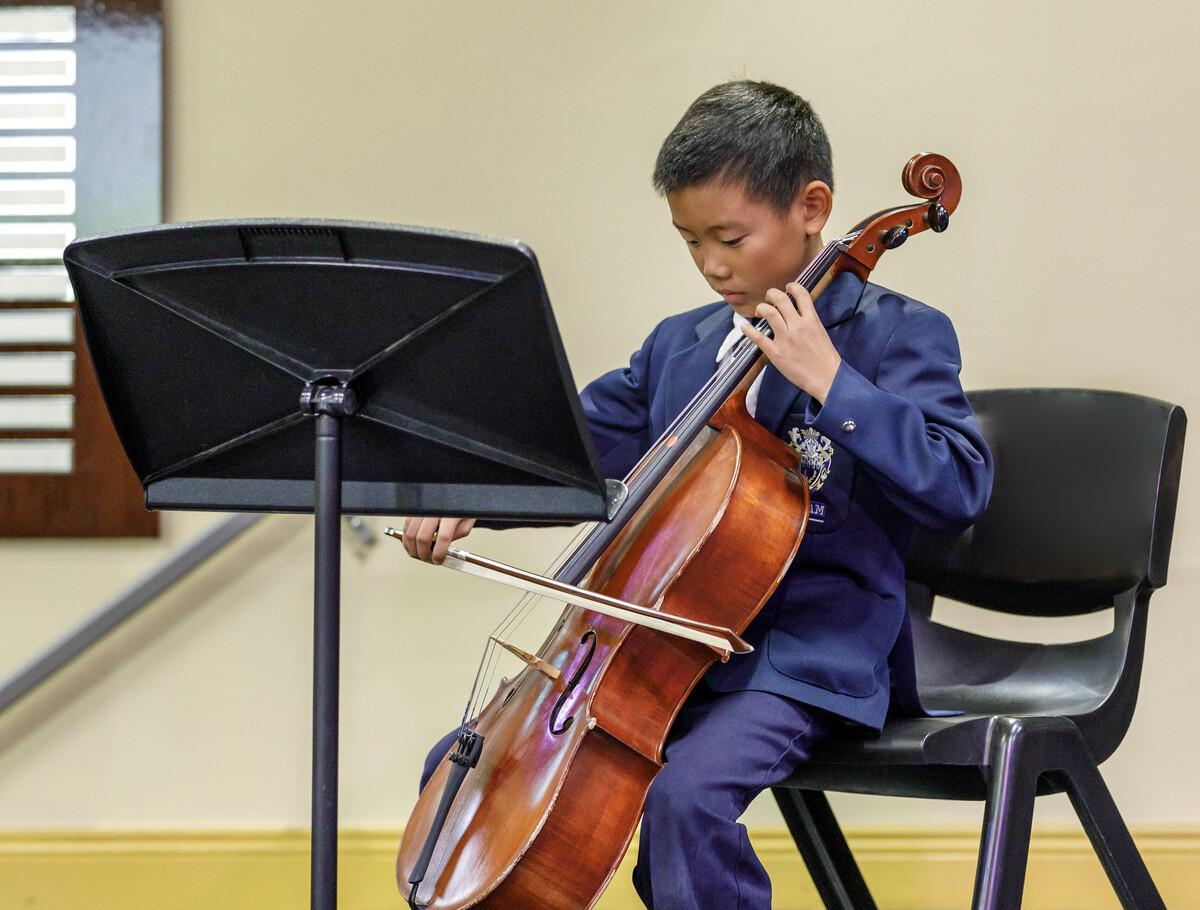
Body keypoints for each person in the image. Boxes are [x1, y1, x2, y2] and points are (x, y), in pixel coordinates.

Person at [401, 80, 994, 910]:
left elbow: (959, 485)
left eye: (730, 237)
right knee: (464, 770)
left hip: (804, 655)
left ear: (812, 206)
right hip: (656, 652)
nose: (713, 265)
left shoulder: (897, 333)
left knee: (687, 800)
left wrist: (830, 380)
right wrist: (466, 491)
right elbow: (559, 450)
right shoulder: (679, 348)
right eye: (690, 241)